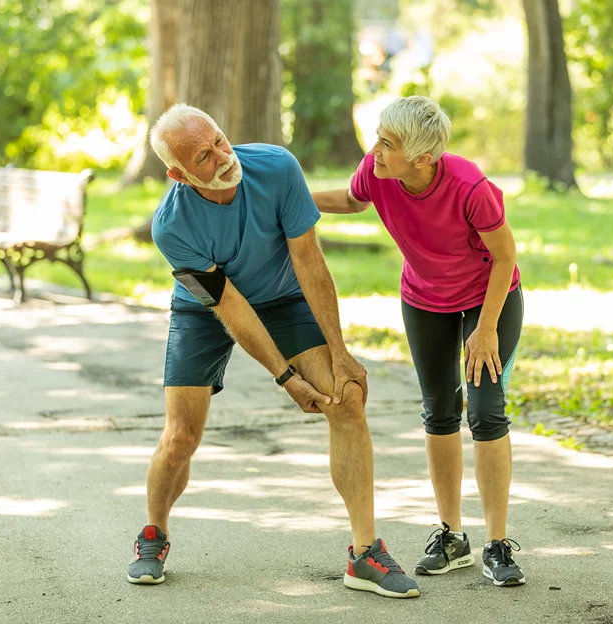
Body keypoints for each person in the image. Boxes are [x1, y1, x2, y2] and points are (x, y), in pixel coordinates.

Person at [126, 103, 419, 599]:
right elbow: (231, 307)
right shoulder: (171, 226)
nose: (222, 156)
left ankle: (365, 553)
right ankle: (154, 532)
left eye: (220, 139)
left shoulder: (277, 167)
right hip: (207, 310)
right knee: (180, 437)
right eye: (203, 156)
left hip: (284, 295)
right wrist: (285, 376)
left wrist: (340, 352)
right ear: (177, 175)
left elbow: (308, 259)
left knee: (347, 398)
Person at [312, 96, 526, 587]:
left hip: (488, 299)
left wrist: (486, 328)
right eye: (379, 139)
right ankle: (452, 538)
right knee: (439, 409)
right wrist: (292, 198)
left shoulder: (471, 187)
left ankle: (497, 543)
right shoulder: (377, 169)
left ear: (423, 158)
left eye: (388, 144)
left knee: (486, 410)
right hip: (425, 299)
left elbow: (504, 253)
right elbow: (351, 199)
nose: (375, 150)